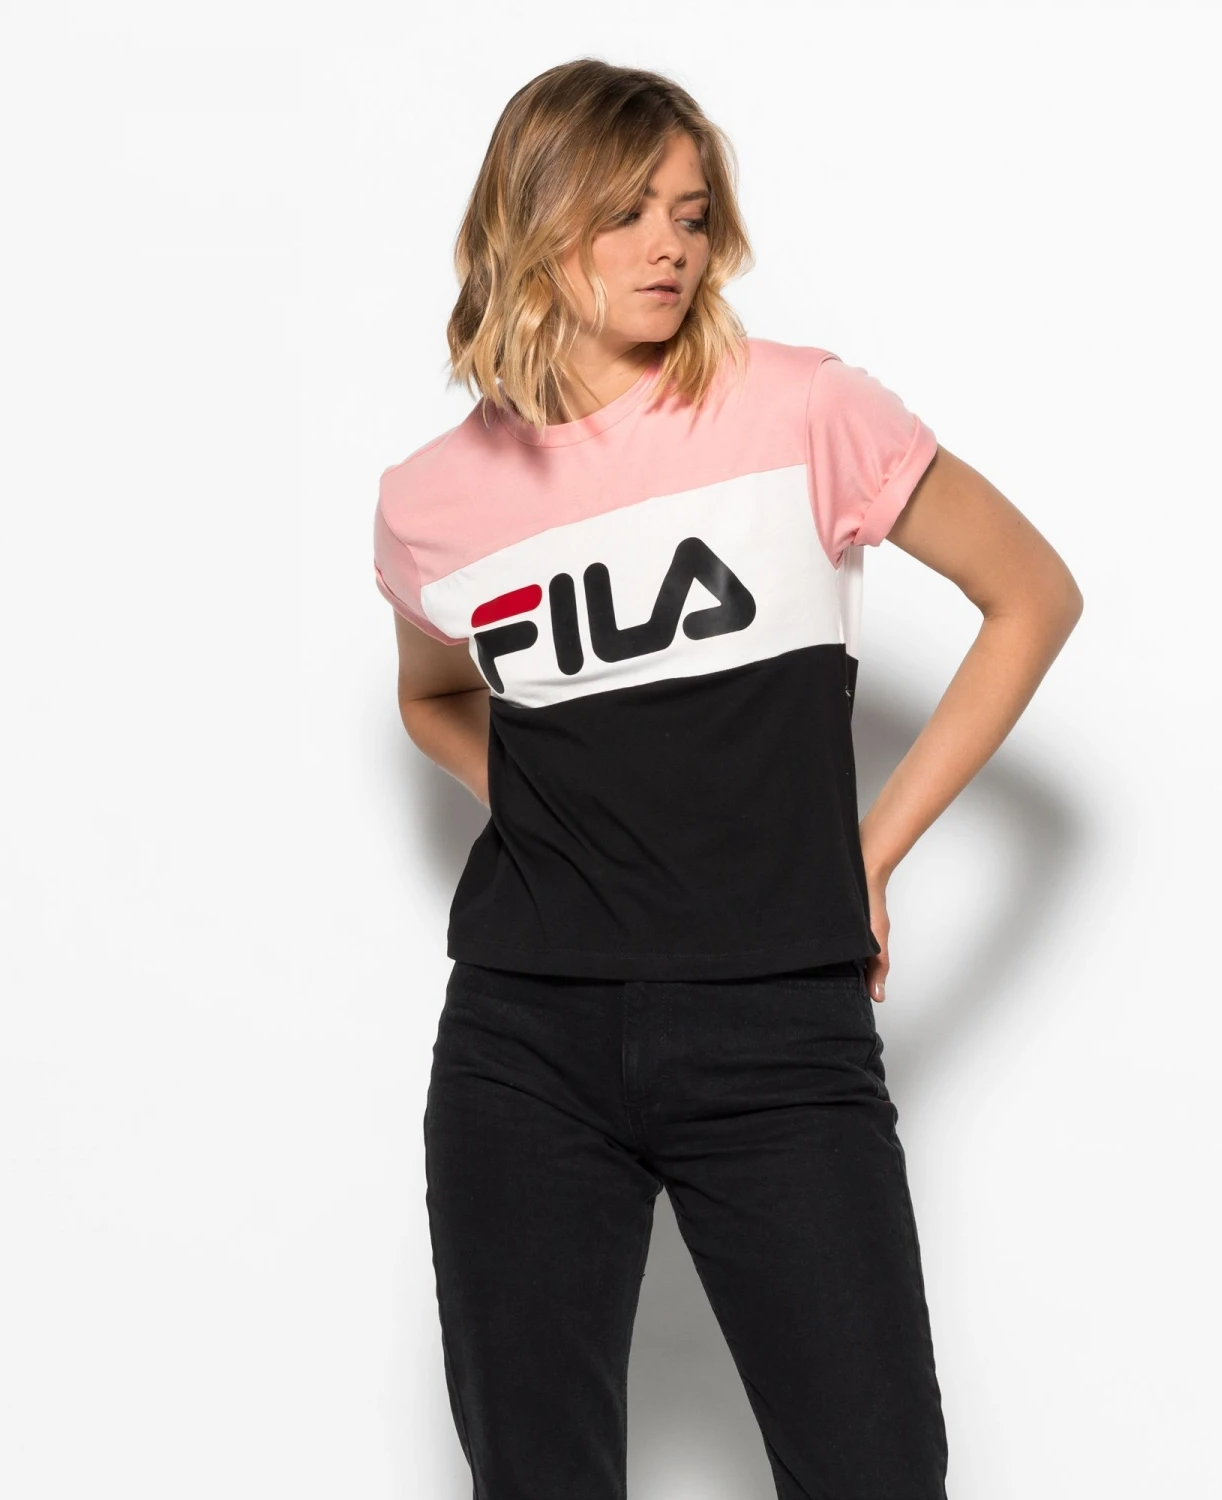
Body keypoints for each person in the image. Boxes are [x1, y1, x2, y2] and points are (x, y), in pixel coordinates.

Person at [372, 57, 1083, 1500]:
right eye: (626, 213)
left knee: (875, 1469)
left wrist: (868, 852)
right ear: (533, 221)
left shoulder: (805, 410)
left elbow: (1032, 598)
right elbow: (434, 697)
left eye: (691, 214)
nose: (671, 248)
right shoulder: (429, 501)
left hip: (778, 1032)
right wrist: (555, 810)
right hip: (524, 1042)